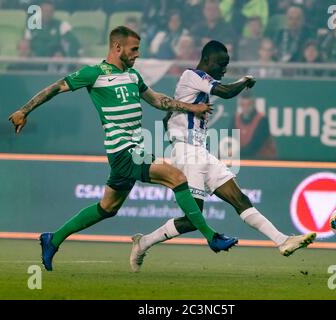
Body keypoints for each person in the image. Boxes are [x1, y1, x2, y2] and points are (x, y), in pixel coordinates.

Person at [8, 26, 238, 271]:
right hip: (123, 150)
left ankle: (52, 239)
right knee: (177, 176)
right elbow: (55, 88)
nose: (137, 54)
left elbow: (158, 100)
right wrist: (24, 110)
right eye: (134, 49)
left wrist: (191, 108)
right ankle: (211, 237)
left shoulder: (133, 76)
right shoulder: (93, 73)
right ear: (117, 47)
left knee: (107, 208)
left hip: (132, 150)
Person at [129, 40, 316, 272]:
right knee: (191, 219)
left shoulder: (199, 86)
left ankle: (282, 241)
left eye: (226, 65)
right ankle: (143, 242)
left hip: (201, 153)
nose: (223, 70)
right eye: (220, 64)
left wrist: (172, 119)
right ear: (206, 60)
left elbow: (170, 117)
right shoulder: (191, 75)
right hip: (187, 152)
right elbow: (226, 92)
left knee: (241, 200)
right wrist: (245, 80)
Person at [231, 90, 276, 159]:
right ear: (239, 104)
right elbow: (229, 139)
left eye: (249, 104)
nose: (246, 108)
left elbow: (255, 146)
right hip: (243, 160)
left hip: (263, 160)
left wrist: (235, 152)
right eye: (243, 104)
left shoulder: (262, 120)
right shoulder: (235, 119)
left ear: (253, 103)